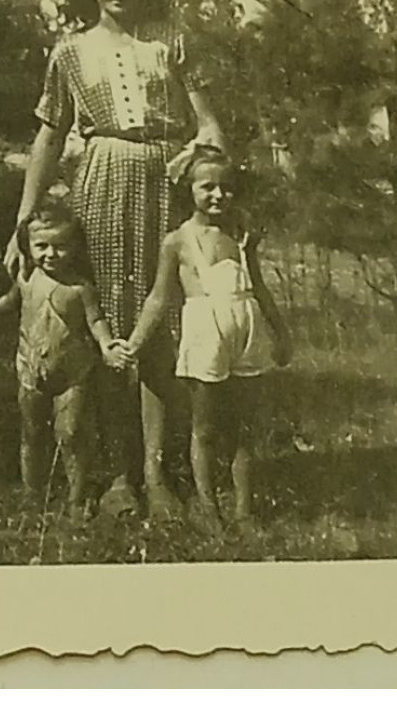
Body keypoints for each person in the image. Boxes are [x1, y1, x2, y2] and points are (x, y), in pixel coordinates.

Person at [4, 0, 225, 520]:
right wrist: (24, 221)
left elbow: (211, 126)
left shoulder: (171, 42)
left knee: (161, 322)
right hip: (100, 180)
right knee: (107, 322)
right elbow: (50, 136)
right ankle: (119, 477)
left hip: (164, 182)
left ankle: (158, 475)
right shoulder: (69, 53)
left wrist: (196, 150)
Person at [126, 146, 291, 532]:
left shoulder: (242, 235)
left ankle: (244, 511)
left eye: (227, 188)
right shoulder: (178, 241)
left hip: (246, 328)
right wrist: (135, 342)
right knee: (206, 425)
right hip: (206, 332)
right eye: (208, 187)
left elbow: (260, 286)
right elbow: (158, 296)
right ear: (190, 190)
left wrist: (281, 332)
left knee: (244, 427)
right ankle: (209, 508)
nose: (218, 195)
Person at [0, 200, 128, 524]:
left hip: (71, 371)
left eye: (60, 246)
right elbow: (11, 300)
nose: (50, 254)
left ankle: (77, 496)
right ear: (28, 247)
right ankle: (32, 495)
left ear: (74, 246)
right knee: (31, 432)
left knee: (70, 433)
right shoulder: (27, 278)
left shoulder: (79, 288)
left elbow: (96, 319)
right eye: (41, 246)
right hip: (30, 367)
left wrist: (105, 344)